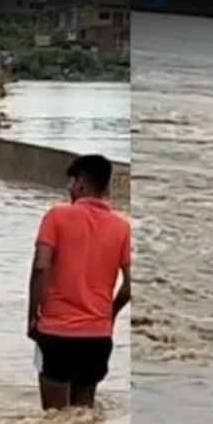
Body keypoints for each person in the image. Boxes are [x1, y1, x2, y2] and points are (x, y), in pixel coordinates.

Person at [28, 154, 132, 410]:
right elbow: (131, 285)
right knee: (83, 416)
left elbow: (41, 267)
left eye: (71, 182)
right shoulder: (122, 227)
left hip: (56, 333)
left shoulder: (56, 216)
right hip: (97, 338)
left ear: (82, 184)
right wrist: (110, 314)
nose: (69, 188)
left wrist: (33, 316)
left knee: (53, 419)